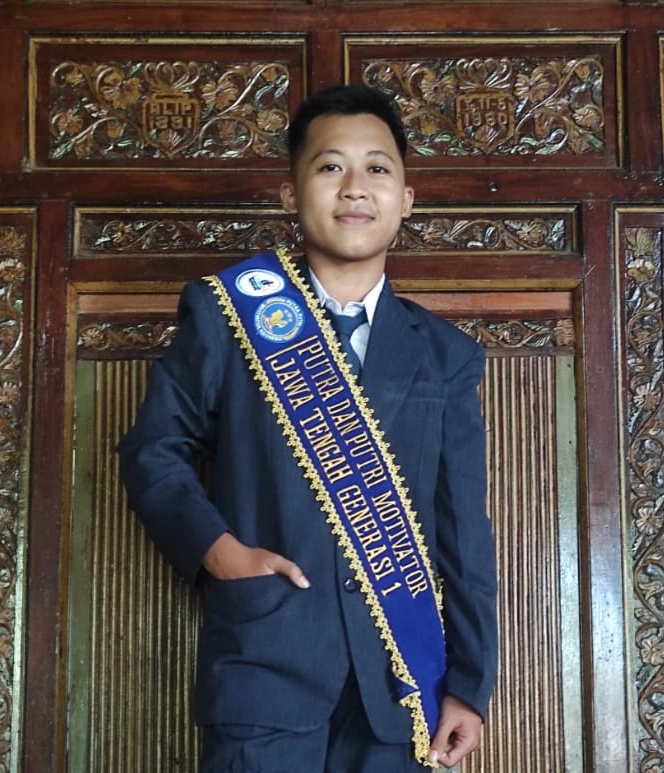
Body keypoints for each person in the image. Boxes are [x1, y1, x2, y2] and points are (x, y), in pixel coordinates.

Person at [118, 83, 498, 772]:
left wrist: (468, 686)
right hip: (265, 663)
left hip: (401, 686)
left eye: (377, 168)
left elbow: (463, 531)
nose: (355, 187)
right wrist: (221, 553)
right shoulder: (227, 315)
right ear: (290, 194)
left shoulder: (446, 356)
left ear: (406, 199)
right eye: (330, 166)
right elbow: (153, 451)